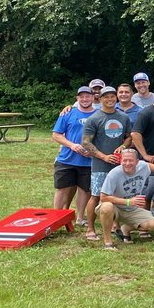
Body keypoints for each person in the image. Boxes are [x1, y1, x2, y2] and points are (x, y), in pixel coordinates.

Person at [79, 86, 132, 241]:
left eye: (112, 97)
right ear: (100, 99)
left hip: (118, 164)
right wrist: (103, 157)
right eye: (106, 97)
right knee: (96, 196)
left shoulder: (123, 117)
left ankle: (115, 225)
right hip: (100, 165)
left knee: (116, 195)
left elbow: (129, 137)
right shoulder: (94, 119)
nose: (109, 100)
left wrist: (123, 146)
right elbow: (86, 143)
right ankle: (90, 228)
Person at [52, 86, 97, 226]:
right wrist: (72, 145)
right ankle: (55, 217)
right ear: (77, 98)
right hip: (67, 158)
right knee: (62, 188)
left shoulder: (99, 114)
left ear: (93, 98)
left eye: (87, 96)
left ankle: (80, 217)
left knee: (85, 190)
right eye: (81, 96)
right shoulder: (68, 113)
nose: (85, 99)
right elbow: (56, 134)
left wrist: (93, 150)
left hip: (89, 160)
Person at [97, 148, 154, 248]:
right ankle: (108, 242)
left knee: (153, 224)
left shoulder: (142, 166)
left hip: (132, 209)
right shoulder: (114, 174)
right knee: (106, 207)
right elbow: (103, 197)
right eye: (124, 160)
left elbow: (149, 166)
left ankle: (125, 229)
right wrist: (128, 201)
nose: (127, 163)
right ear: (120, 161)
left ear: (137, 162)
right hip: (115, 208)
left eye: (131, 160)